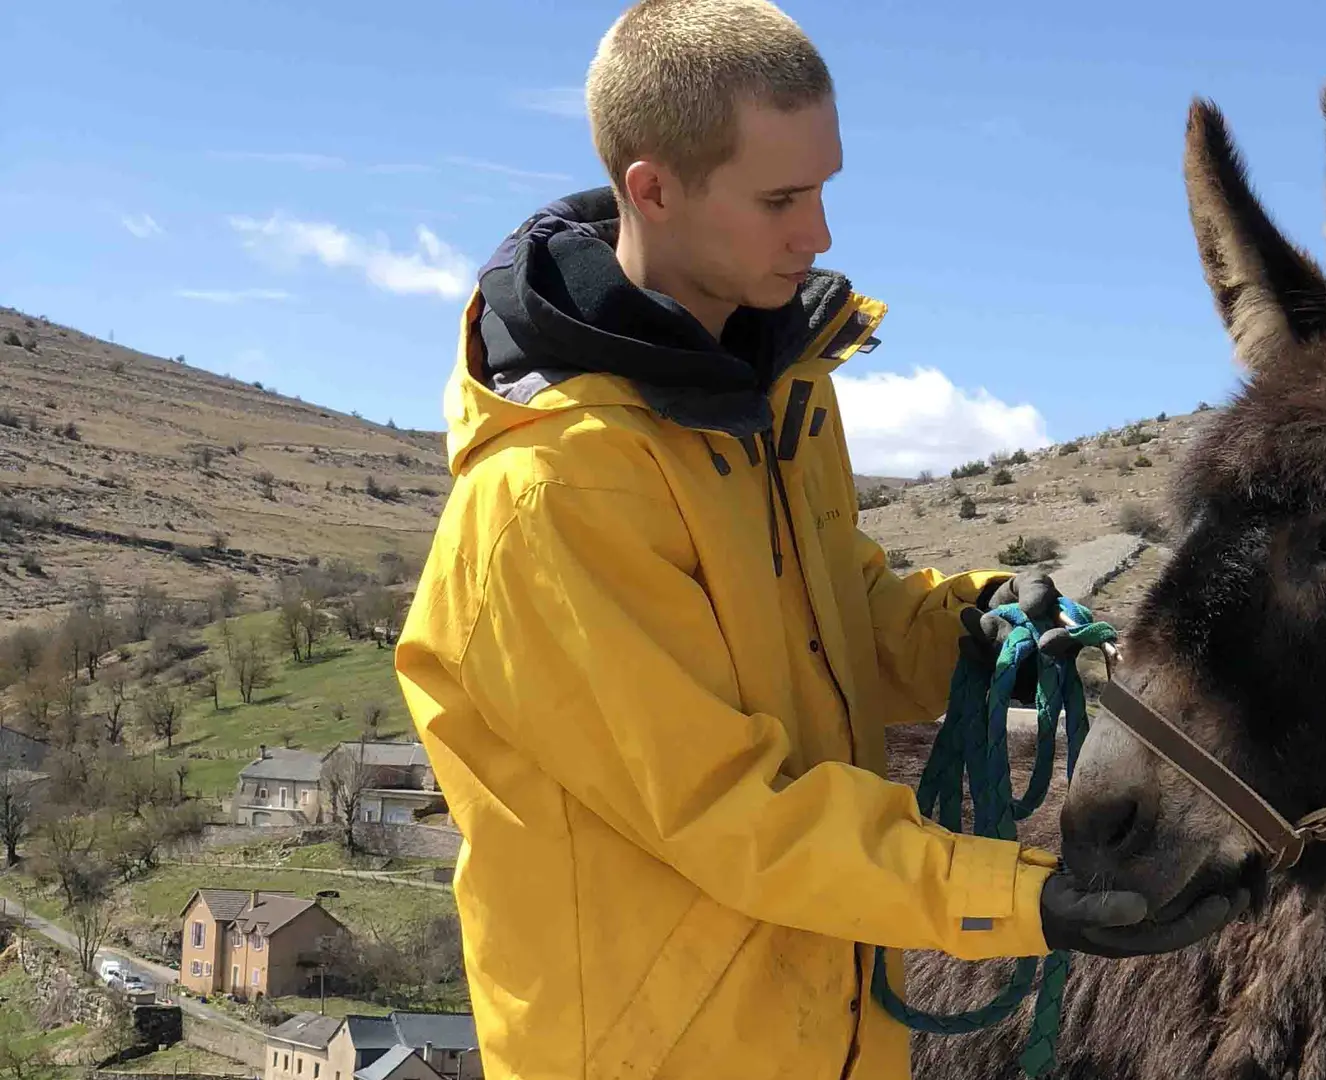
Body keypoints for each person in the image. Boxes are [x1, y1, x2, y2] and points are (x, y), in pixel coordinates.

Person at [393, 2, 1237, 1077]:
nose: (820, 234)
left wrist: (967, 627)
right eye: (782, 198)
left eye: (825, 187)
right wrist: (1030, 899)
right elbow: (734, 814)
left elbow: (831, 623)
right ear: (652, 189)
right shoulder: (549, 500)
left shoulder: (771, 400)